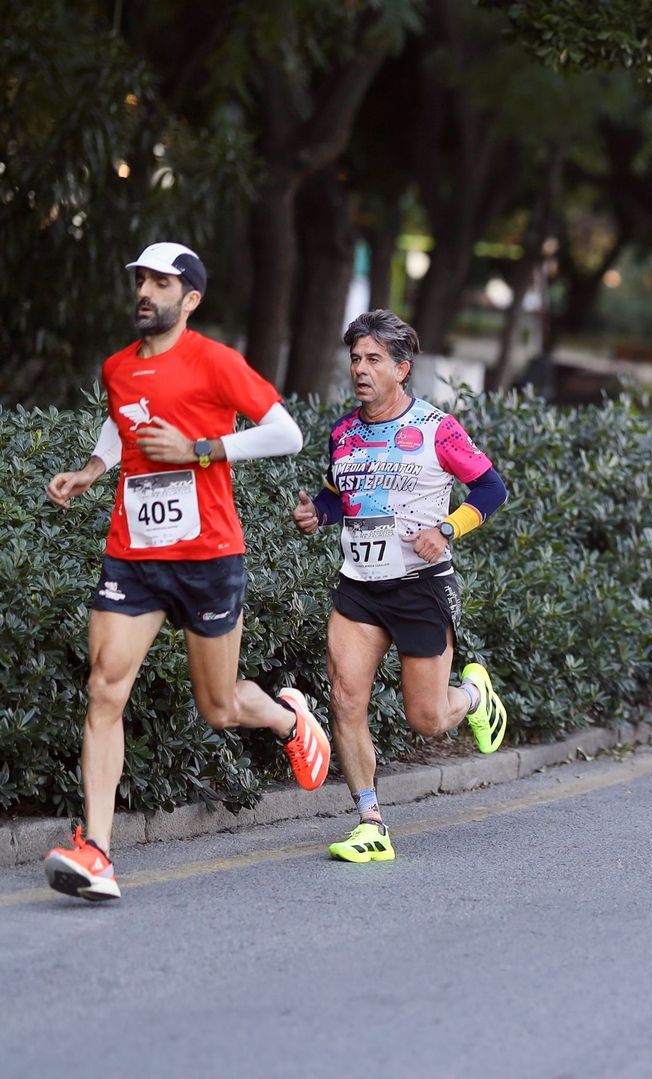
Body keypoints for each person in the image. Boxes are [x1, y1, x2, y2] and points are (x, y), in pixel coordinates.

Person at [42, 242, 328, 902]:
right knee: (105, 687)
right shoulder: (118, 366)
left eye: (160, 282)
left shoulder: (215, 362)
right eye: (140, 278)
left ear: (190, 299)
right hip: (134, 555)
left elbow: (287, 433)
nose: (145, 290)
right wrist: (90, 470)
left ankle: (288, 717)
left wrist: (204, 448)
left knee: (219, 704)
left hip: (208, 557)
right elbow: (123, 423)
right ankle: (98, 851)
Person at [294, 310, 508, 863]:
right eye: (355, 360)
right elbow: (339, 496)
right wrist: (317, 513)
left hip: (418, 585)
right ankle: (370, 821)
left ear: (402, 369)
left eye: (373, 361)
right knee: (345, 698)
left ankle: (475, 695)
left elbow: (491, 488)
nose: (360, 371)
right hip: (359, 586)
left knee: (428, 720)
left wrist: (447, 528)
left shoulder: (438, 428)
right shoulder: (343, 432)